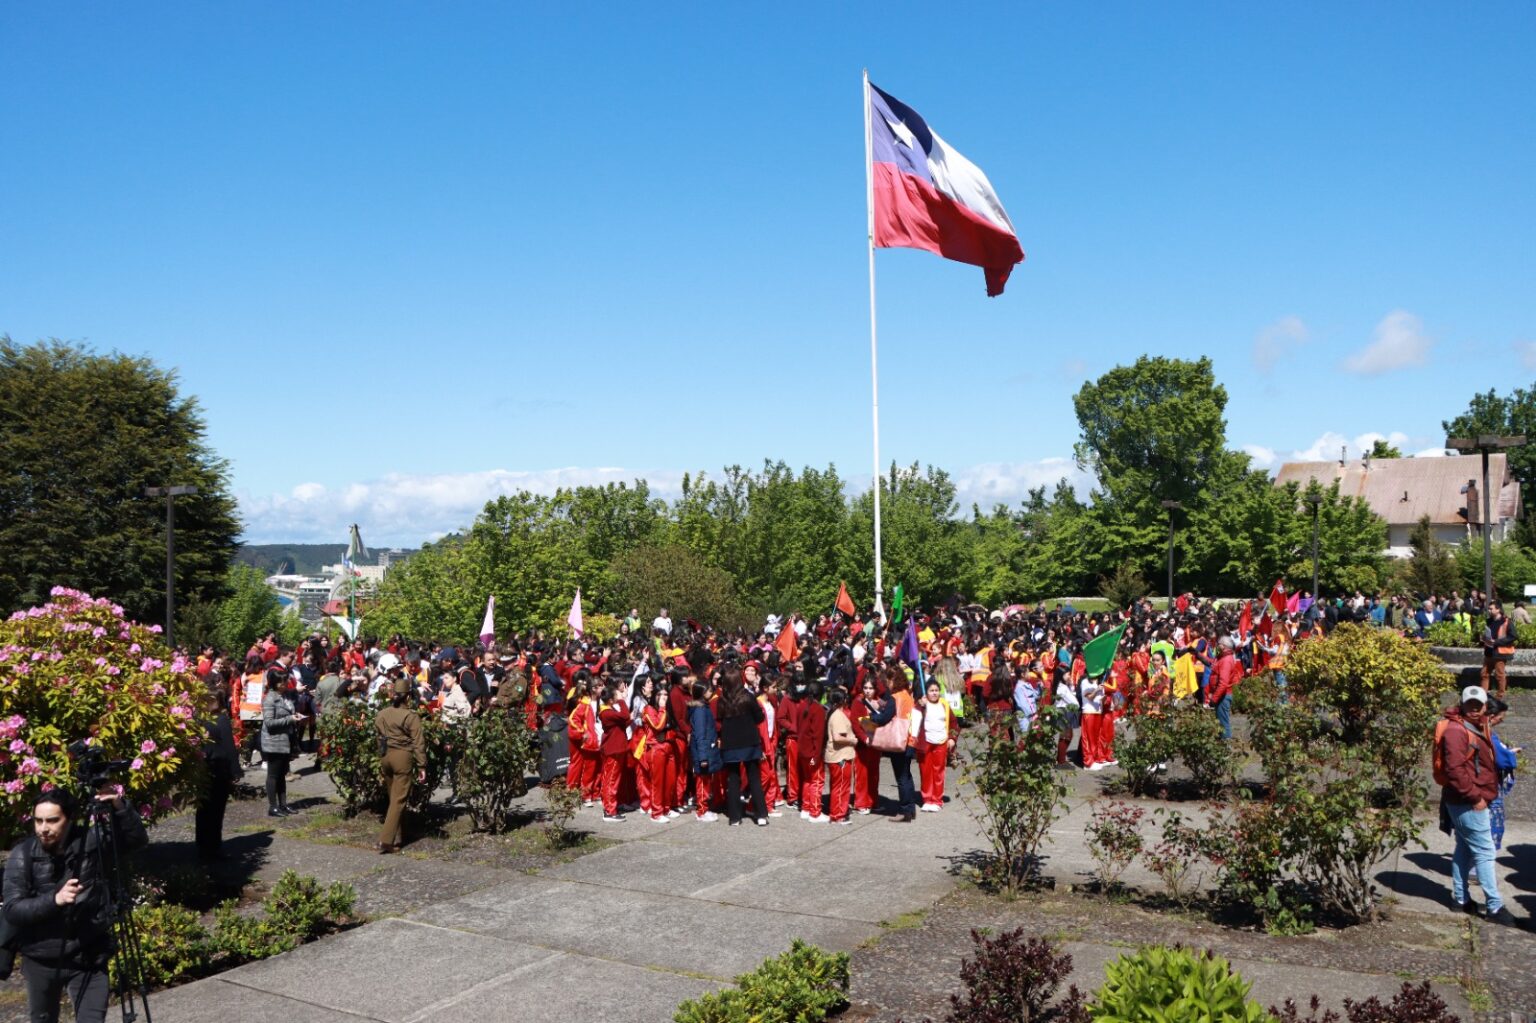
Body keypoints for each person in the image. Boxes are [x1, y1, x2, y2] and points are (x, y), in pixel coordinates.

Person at [3, 786, 149, 1023]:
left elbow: (135, 840)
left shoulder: (90, 842)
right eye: (38, 821)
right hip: (41, 958)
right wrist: (55, 900)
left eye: (52, 820)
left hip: (87, 956)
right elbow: (12, 909)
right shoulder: (24, 855)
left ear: (69, 820)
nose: (43, 828)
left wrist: (119, 807)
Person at [1438, 685, 1515, 924]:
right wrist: (1476, 797)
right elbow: (1454, 770)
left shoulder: (1473, 726)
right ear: (1462, 704)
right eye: (1469, 704)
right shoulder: (1456, 731)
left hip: (1464, 800)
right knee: (1485, 851)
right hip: (1468, 801)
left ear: (1484, 707)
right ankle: (1494, 906)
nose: (1473, 709)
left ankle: (1460, 900)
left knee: (1464, 848)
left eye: (1477, 705)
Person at [375, 677, 426, 853]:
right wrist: (422, 765)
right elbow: (418, 743)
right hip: (402, 757)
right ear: (408, 696)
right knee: (399, 799)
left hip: (385, 756)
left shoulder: (382, 713)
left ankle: (400, 834)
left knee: (393, 798)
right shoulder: (410, 716)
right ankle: (386, 841)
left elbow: (378, 735)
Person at [716, 666, 769, 827]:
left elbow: (719, 721)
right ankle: (761, 815)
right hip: (749, 742)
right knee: (754, 778)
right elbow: (759, 718)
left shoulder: (722, 700)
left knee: (733, 780)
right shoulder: (748, 697)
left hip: (730, 743)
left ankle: (734, 817)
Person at [196, 683, 242, 861]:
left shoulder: (198, 719)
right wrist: (235, 771)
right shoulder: (221, 719)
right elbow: (230, 747)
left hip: (203, 769)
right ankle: (213, 846)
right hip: (219, 769)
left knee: (203, 811)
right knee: (216, 811)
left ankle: (202, 845)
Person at [259, 664, 306, 818]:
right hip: (274, 742)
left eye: (285, 682)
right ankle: (273, 807)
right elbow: (269, 723)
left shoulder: (285, 696)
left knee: (282, 774)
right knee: (273, 775)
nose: (284, 685)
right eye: (281, 683)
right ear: (274, 683)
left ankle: (283, 805)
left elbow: (288, 712)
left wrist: (295, 716)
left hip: (286, 741)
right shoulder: (269, 699)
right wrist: (289, 719)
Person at [911, 680, 956, 810]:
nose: (934, 693)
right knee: (925, 772)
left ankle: (937, 800)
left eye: (936, 690)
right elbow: (915, 721)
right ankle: (927, 799)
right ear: (927, 692)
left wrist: (952, 738)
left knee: (938, 772)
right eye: (931, 691)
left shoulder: (944, 705)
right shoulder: (921, 704)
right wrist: (922, 706)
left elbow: (953, 723)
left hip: (941, 742)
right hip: (925, 743)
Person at [686, 681, 723, 822]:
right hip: (703, 750)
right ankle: (701, 811)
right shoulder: (700, 710)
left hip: (707, 749)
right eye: (708, 690)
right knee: (702, 781)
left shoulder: (703, 707)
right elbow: (700, 734)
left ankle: (705, 808)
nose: (711, 692)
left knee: (706, 780)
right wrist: (702, 757)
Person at [597, 683, 631, 822]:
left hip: (615, 748)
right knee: (611, 780)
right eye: (616, 695)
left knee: (611, 779)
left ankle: (611, 806)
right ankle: (609, 811)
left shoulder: (609, 710)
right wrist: (623, 699)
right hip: (613, 750)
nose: (619, 696)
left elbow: (624, 720)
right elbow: (625, 715)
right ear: (611, 700)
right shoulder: (606, 713)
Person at [824, 690, 857, 824]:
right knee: (841, 786)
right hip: (840, 756)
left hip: (838, 755)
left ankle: (838, 812)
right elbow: (838, 737)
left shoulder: (834, 713)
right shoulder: (837, 715)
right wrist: (851, 740)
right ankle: (837, 814)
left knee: (839, 785)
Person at [1480, 601, 1513, 701]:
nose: (1489, 610)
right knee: (1484, 673)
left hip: (1500, 653)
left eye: (1491, 609)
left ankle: (1500, 696)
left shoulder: (1506, 621)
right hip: (1489, 652)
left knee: (1499, 675)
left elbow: (1513, 636)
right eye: (1488, 609)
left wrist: (1497, 641)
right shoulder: (1489, 621)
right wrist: (1484, 638)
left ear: (1498, 609)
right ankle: (1483, 694)